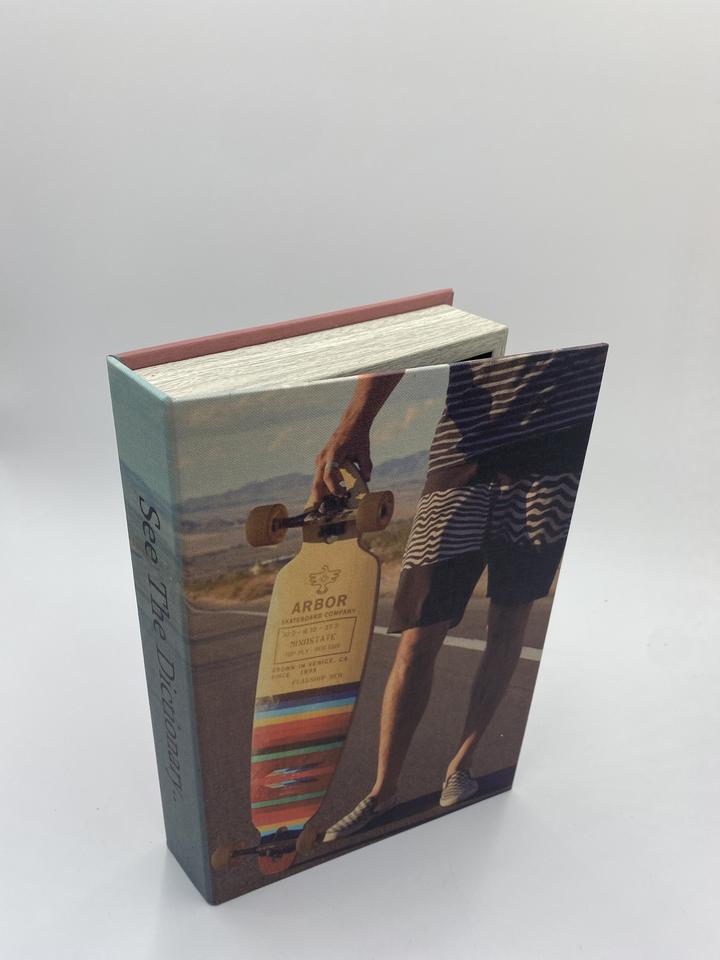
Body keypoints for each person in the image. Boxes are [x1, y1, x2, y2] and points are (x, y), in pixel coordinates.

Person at [310, 345, 607, 840]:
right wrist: (354, 424)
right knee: (417, 634)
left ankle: (460, 766)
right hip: (464, 453)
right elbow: (404, 335)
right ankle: (383, 790)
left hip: (556, 452)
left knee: (510, 616)